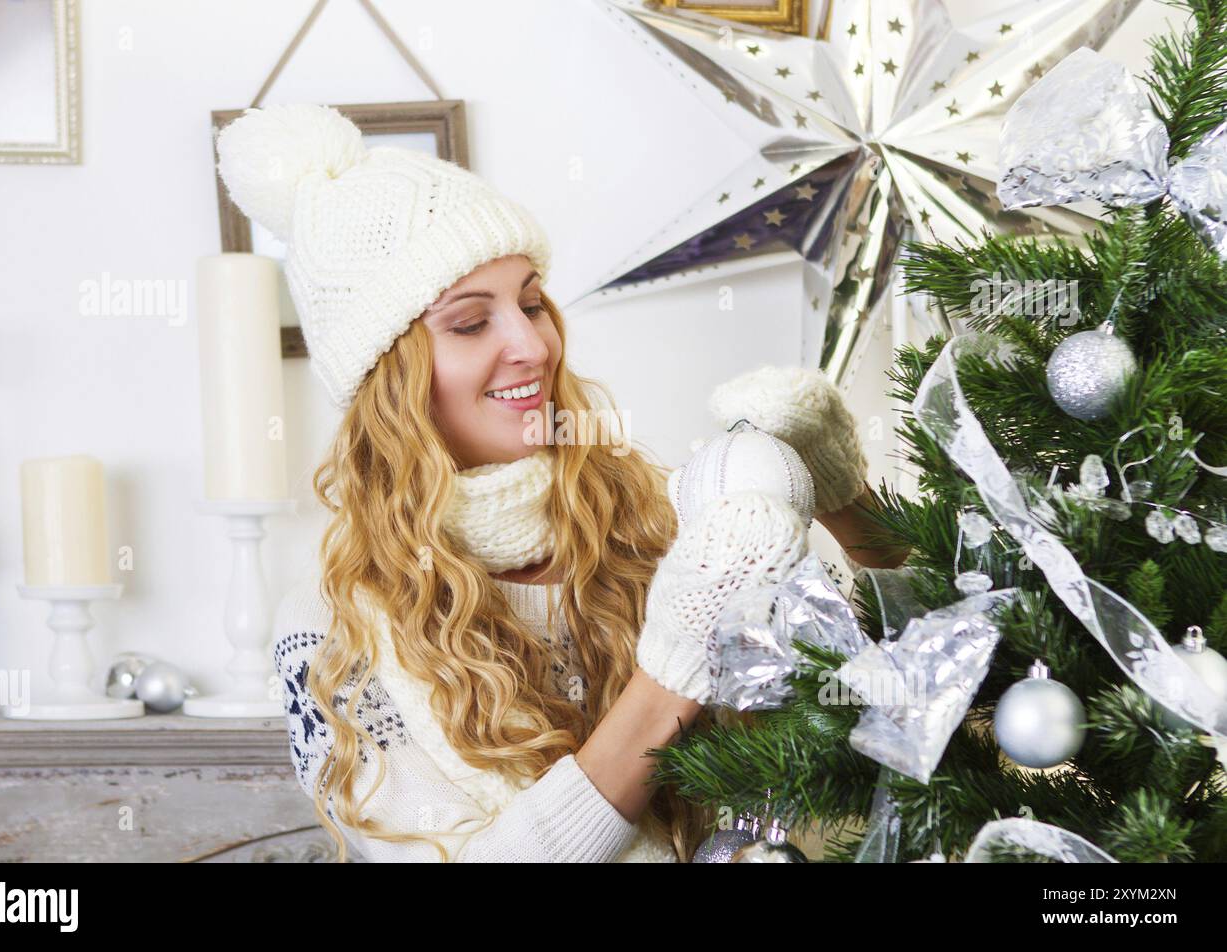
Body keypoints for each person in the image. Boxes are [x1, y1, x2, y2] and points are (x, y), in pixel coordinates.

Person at [216, 104, 906, 863]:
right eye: (472, 323)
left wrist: (845, 501)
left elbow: (915, 690)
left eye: (532, 302)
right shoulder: (334, 629)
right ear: (389, 379)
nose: (531, 345)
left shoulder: (662, 517)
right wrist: (671, 672)